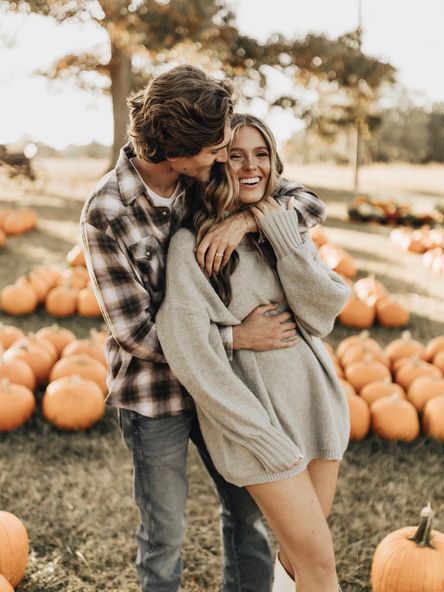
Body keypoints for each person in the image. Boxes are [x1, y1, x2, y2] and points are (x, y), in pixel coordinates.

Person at [80, 66, 327, 592]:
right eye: (215, 148)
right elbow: (135, 333)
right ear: (176, 150)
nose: (223, 155)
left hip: (231, 388)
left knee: (250, 519)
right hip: (156, 394)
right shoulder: (105, 213)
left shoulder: (207, 177)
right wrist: (234, 338)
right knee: (163, 536)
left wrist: (247, 219)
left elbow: (307, 203)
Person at [156, 113, 351, 592]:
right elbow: (189, 353)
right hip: (259, 426)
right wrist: (257, 433)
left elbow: (322, 313)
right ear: (217, 163)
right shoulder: (190, 246)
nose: (251, 166)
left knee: (298, 561)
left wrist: (278, 235)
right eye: (236, 155)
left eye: (261, 154)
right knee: (321, 567)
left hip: (316, 409)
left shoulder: (281, 229)